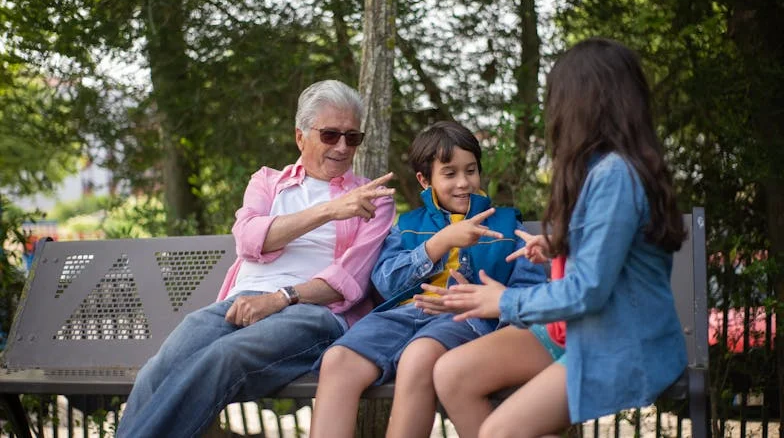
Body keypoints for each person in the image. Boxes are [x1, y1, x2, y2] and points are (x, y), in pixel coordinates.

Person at [415, 38, 689, 438]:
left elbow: (589, 289)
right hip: (581, 329)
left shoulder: (615, 174)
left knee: (498, 432)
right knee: (452, 373)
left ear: (583, 102)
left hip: (621, 341)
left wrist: (503, 301)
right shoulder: (601, 169)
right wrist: (562, 248)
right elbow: (612, 253)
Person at [116, 80, 396, 438]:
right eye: (330, 135)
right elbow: (248, 240)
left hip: (314, 313)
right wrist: (329, 211)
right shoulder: (267, 182)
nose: (342, 147)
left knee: (222, 358)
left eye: (352, 137)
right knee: (157, 370)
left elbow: (349, 282)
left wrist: (280, 298)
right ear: (300, 137)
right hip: (240, 304)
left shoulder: (373, 199)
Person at [309, 121, 547, 438]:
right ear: (425, 179)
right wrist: (439, 243)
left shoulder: (506, 225)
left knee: (418, 356)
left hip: (465, 321)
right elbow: (386, 282)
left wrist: (483, 300)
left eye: (471, 171)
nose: (463, 182)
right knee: (338, 360)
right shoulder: (407, 226)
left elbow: (528, 294)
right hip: (402, 316)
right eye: (449, 173)